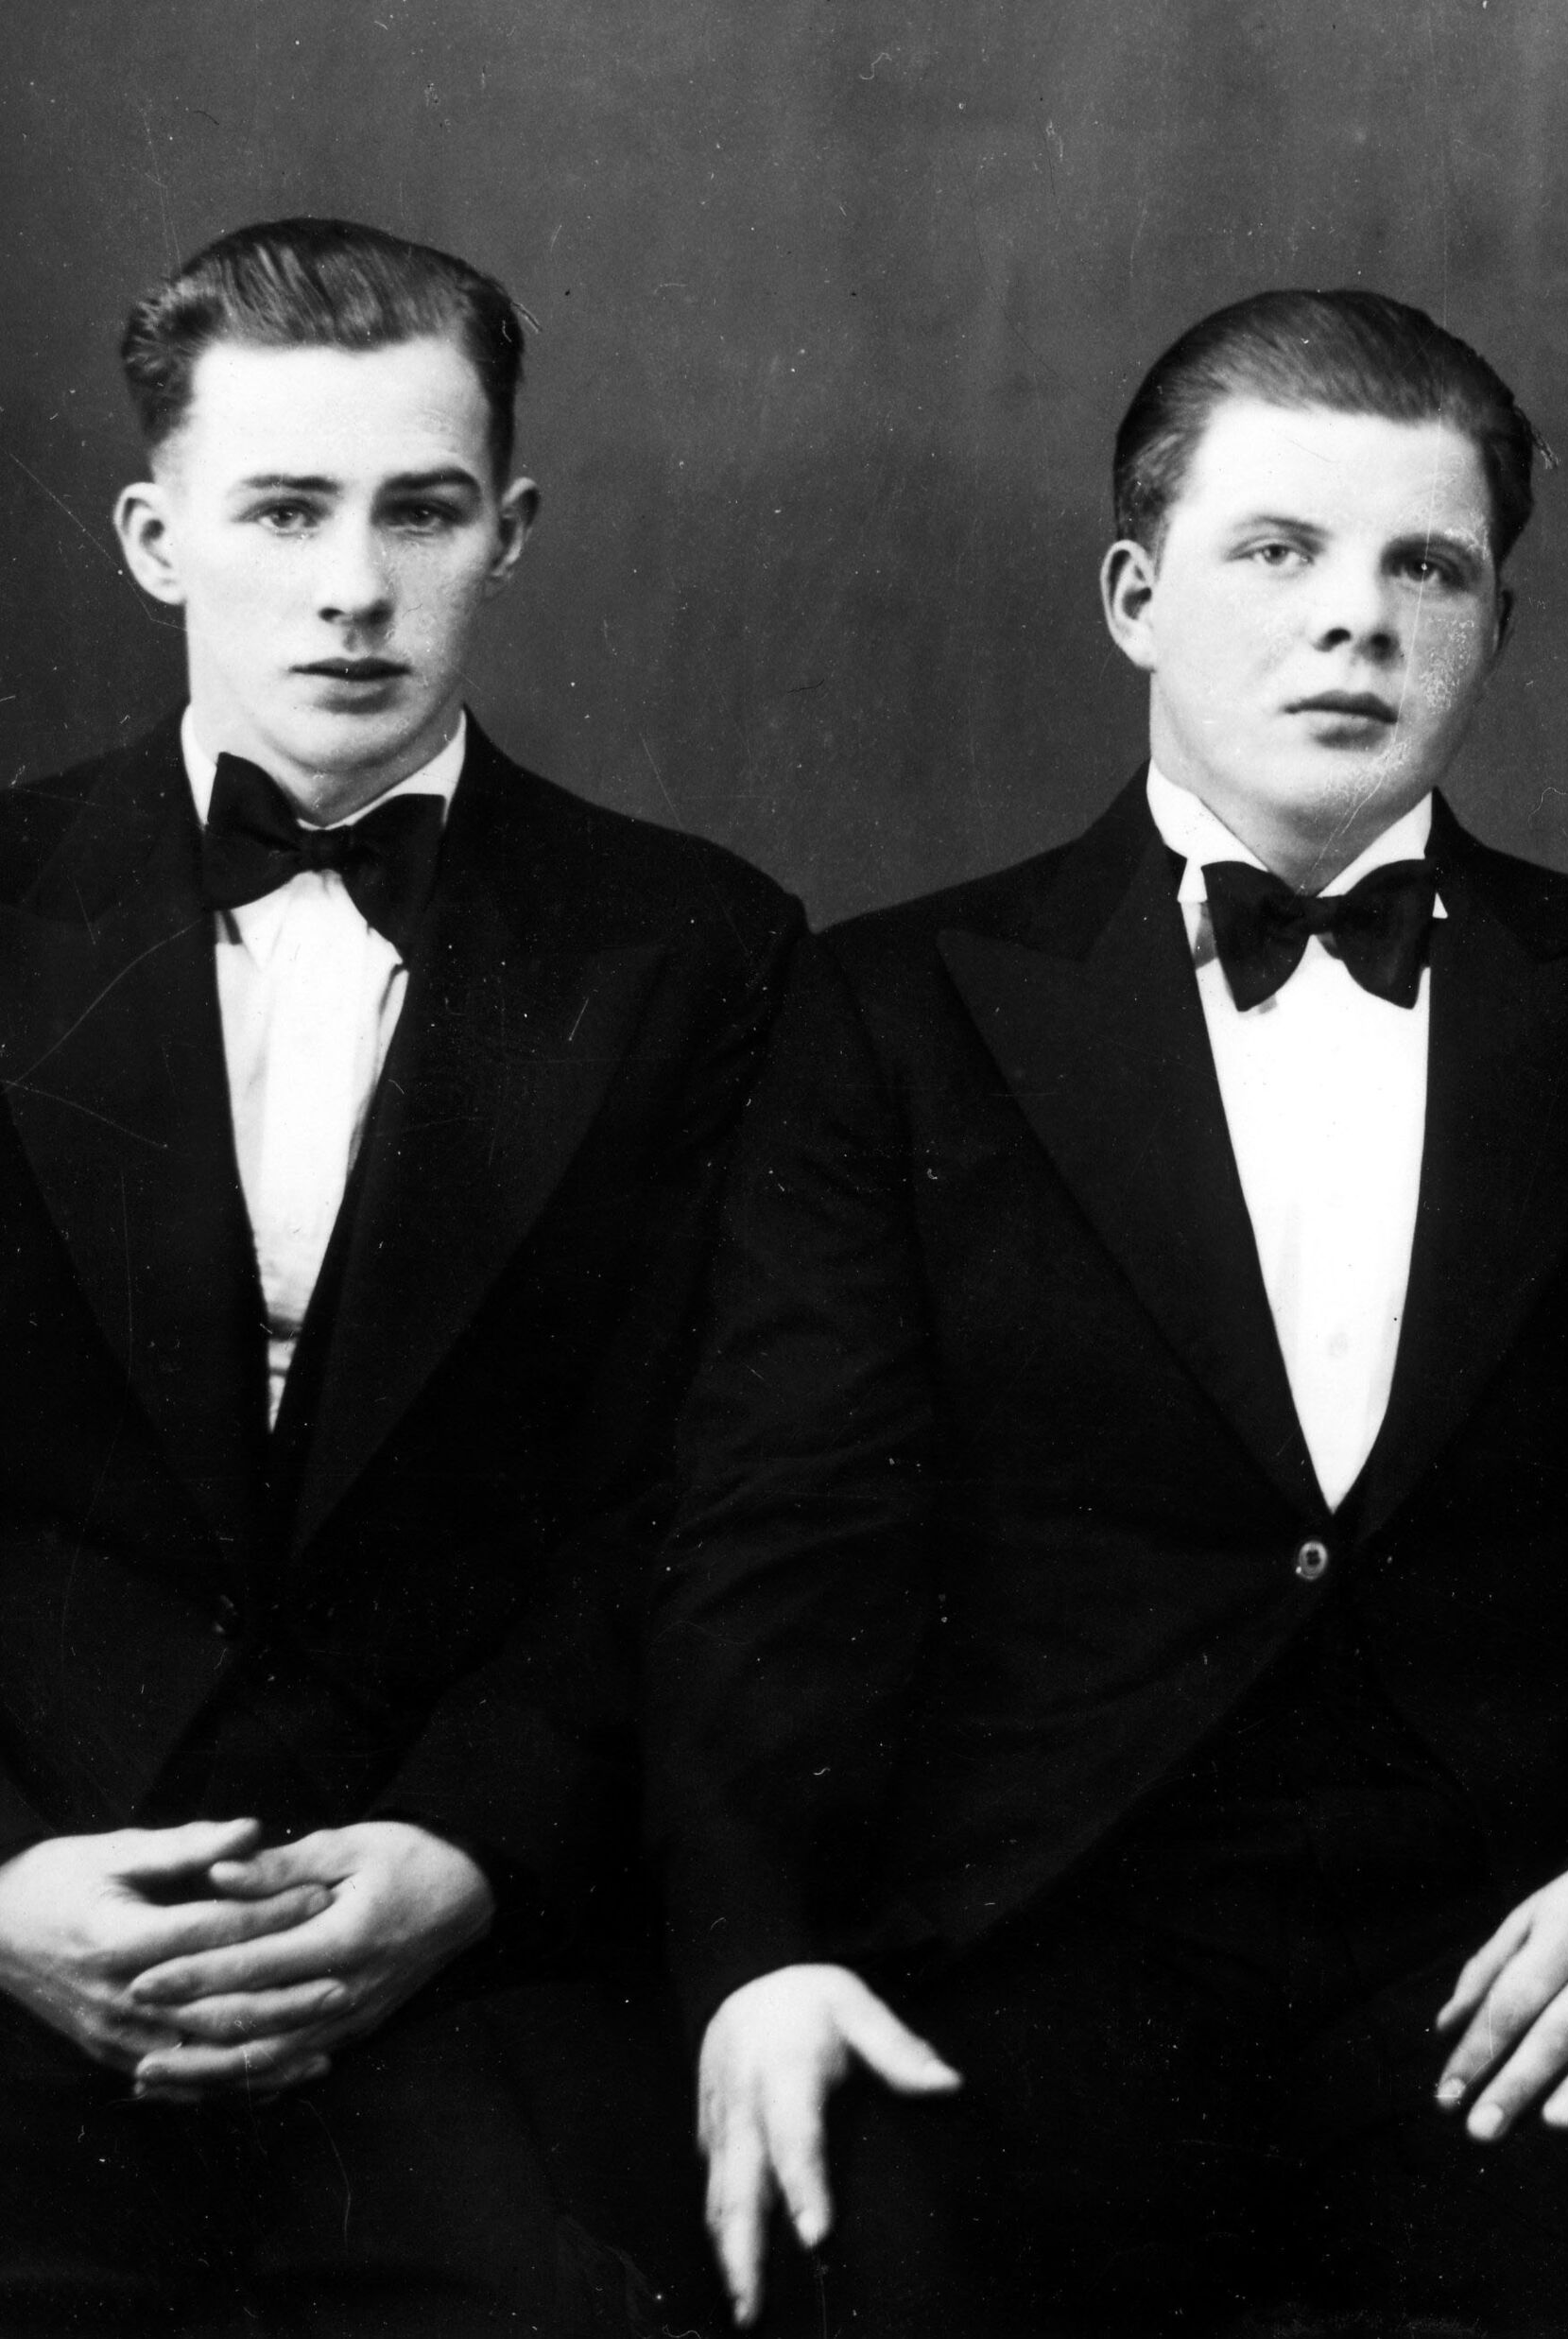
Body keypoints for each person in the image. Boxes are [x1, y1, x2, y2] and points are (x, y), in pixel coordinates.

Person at [644, 286, 1568, 2334]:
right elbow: (779, 1545)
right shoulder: (895, 1009)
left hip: (1520, 1948)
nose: (1357, 623)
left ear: (1498, 622)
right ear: (1135, 597)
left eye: (1429, 568)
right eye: (1278, 551)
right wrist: (759, 1954)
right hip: (1034, 1944)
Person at [0, 217, 800, 2329]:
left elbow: (705, 1493)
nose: (353, 585)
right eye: (285, 510)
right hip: (30, 1903)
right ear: (156, 539)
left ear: (509, 532)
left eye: (420, 511)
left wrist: (466, 1849)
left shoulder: (692, 948)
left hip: (460, 1937)